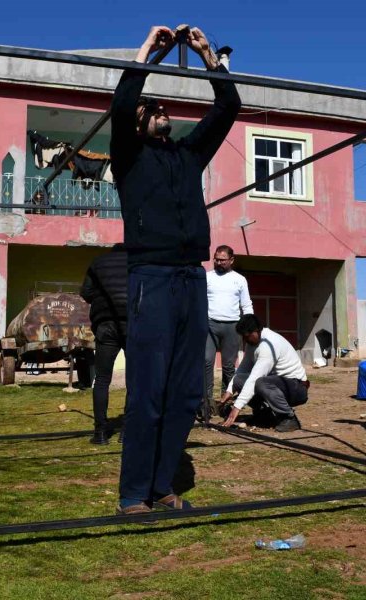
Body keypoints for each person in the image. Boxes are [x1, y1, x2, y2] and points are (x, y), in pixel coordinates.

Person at [110, 25, 241, 515]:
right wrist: (149, 51)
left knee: (186, 390)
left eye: (163, 108)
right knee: (148, 389)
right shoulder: (128, 156)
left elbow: (227, 109)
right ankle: (132, 493)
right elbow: (123, 106)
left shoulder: (188, 155)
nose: (160, 110)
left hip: (191, 277)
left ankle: (163, 486)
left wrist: (208, 55)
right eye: (152, 108)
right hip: (153, 277)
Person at [217, 314, 308, 432]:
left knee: (261, 382)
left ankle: (289, 418)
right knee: (239, 380)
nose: (245, 341)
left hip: (297, 388)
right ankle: (265, 415)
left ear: (256, 331)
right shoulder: (253, 342)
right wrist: (229, 391)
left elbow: (254, 378)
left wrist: (236, 407)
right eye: (243, 337)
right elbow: (243, 369)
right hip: (277, 384)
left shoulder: (268, 345)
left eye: (247, 336)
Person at [79, 245, 129, 445]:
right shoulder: (138, 263)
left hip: (105, 325)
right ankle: (127, 431)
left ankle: (100, 432)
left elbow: (86, 293)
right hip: (133, 325)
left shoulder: (98, 263)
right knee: (134, 381)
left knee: (102, 379)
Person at [203, 245, 253, 420]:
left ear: (231, 260)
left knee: (229, 366)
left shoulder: (239, 279)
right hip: (209, 324)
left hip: (232, 326)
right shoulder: (207, 277)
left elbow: (246, 304)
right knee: (206, 362)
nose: (218, 262)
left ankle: (225, 402)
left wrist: (250, 325)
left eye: (222, 260)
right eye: (216, 259)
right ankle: (206, 403)